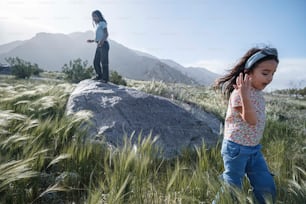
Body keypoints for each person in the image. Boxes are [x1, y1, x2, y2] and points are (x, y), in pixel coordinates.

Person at [213, 47, 279, 203]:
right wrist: (244, 94)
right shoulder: (238, 93)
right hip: (236, 148)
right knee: (232, 188)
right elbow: (251, 120)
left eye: (273, 74)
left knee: (266, 185)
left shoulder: (257, 93)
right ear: (248, 72)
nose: (269, 78)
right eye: (265, 73)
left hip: (254, 148)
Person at [87, 10, 109, 82]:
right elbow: (99, 36)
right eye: (93, 16)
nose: (94, 18)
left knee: (104, 62)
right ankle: (99, 76)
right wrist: (93, 40)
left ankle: (105, 79)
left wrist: (101, 42)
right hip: (99, 45)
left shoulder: (102, 23)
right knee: (96, 61)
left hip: (104, 44)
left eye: (95, 16)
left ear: (99, 16)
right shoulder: (98, 25)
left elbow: (106, 34)